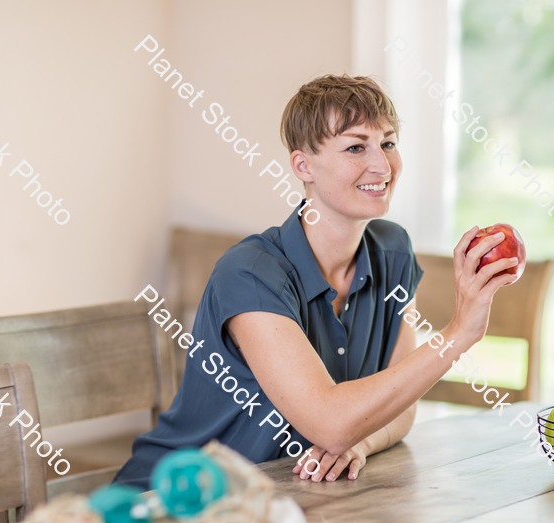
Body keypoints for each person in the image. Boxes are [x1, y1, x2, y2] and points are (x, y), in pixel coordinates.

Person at [113, 74, 518, 490]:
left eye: (389, 143)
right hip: (177, 506)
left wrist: (361, 444)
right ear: (303, 165)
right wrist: (459, 334)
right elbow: (330, 423)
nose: (382, 165)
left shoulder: (393, 252)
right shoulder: (249, 273)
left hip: (291, 499)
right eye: (356, 146)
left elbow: (401, 407)